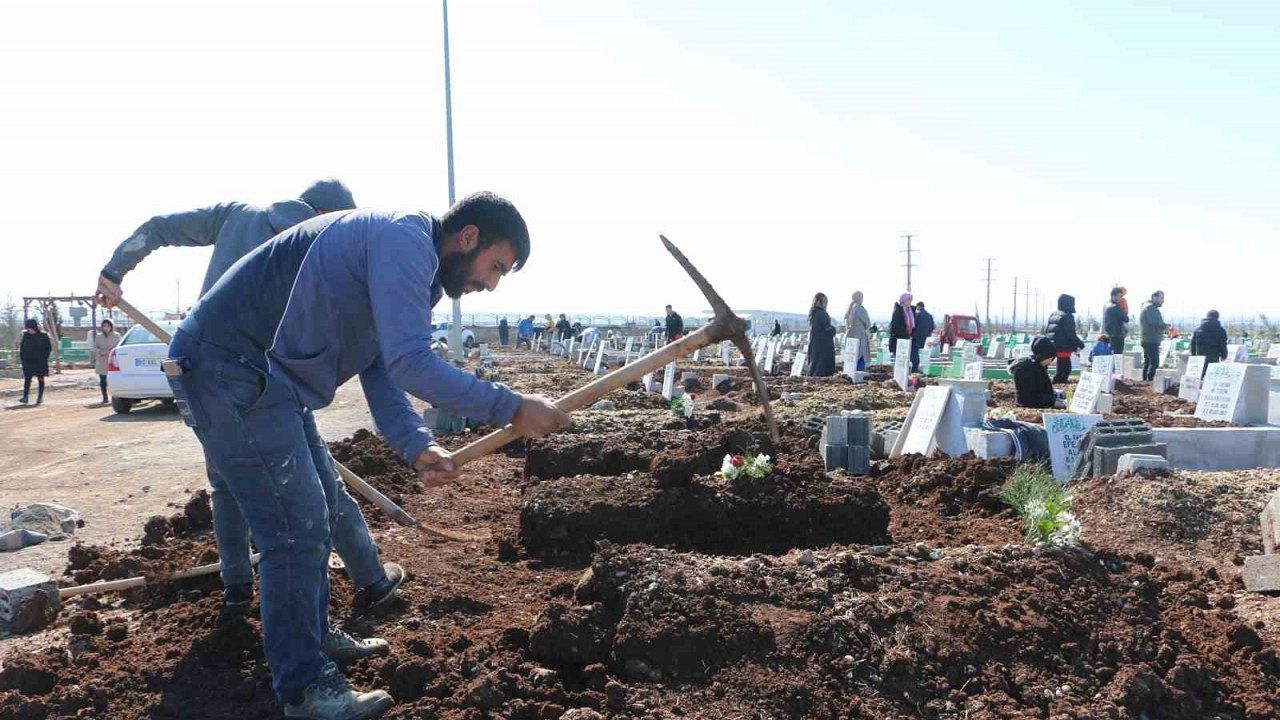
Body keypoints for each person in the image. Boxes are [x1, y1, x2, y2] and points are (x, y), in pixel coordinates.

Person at [164, 193, 570, 719]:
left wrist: (416, 443)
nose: (490, 284)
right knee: (295, 526)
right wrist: (511, 406)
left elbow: (381, 369)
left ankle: (311, 638)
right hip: (231, 368)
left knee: (321, 507)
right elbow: (410, 363)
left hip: (269, 381)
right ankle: (304, 688)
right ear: (468, 237)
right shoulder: (406, 241)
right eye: (495, 267)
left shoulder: (413, 266)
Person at [93, 179, 406, 627]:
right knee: (318, 486)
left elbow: (159, 226)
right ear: (332, 216)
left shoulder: (235, 216)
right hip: (266, 382)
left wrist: (114, 271)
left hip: (202, 372)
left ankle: (237, 590)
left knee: (225, 485)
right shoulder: (320, 240)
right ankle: (370, 579)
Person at [1043, 294, 1084, 384]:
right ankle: (1059, 384)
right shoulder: (1068, 316)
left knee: (1056, 367)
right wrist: (1080, 344)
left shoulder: (1053, 314)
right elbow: (1071, 334)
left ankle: (1050, 383)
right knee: (1065, 369)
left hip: (1052, 344)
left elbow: (1047, 330)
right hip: (1063, 346)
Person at [1010, 336, 1058, 409]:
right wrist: (1052, 401)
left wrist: (1055, 395)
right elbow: (1028, 397)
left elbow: (1045, 389)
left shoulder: (1039, 367)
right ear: (1044, 355)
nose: (1050, 362)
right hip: (1030, 406)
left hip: (1041, 403)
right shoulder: (1025, 369)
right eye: (1051, 358)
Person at [18, 318, 52, 406]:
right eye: (28, 328)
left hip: (40, 362)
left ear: (35, 327)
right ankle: (25, 397)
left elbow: (48, 348)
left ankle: (40, 397)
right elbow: (22, 348)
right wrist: (23, 359)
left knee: (40, 379)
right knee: (27, 379)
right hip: (28, 362)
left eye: (31, 328)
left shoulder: (43, 336)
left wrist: (44, 358)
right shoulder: (25, 336)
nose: (29, 330)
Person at [1140, 290, 1169, 382]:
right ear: (1154, 297)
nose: (1163, 301)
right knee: (1155, 363)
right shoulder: (1150, 308)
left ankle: (1145, 382)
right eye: (1161, 298)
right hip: (1151, 340)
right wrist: (1165, 326)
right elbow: (1155, 322)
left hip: (1148, 339)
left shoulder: (1149, 307)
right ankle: (1150, 381)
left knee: (1148, 363)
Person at [91, 319, 122, 405]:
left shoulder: (116, 335)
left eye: (108, 326)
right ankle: (105, 397)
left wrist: (112, 352)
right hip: (102, 360)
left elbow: (120, 347)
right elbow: (95, 348)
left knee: (115, 380)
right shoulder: (99, 336)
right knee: (103, 380)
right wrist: (102, 352)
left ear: (111, 326)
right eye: (104, 326)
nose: (106, 328)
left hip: (114, 361)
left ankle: (116, 397)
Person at [805, 293, 836, 376]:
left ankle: (813, 374)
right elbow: (827, 328)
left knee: (814, 360)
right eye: (824, 302)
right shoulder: (822, 313)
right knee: (822, 362)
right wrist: (833, 330)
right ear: (819, 302)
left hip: (814, 340)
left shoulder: (813, 313)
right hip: (824, 342)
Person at [1190, 309, 1229, 374]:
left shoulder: (1197, 330)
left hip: (1200, 357)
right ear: (1217, 317)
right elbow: (1223, 344)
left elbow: (1193, 344)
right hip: (1214, 357)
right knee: (1211, 375)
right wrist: (1224, 356)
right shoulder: (1221, 330)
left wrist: (1193, 355)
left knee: (1200, 375)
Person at [843, 291, 871, 371]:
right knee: (860, 358)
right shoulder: (860, 309)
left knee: (851, 359)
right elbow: (867, 323)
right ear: (861, 298)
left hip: (850, 338)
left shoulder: (849, 309)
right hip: (859, 336)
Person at [888, 292, 914, 363]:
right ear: (903, 300)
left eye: (911, 300)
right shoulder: (898, 311)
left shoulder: (909, 311)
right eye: (908, 300)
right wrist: (904, 335)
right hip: (898, 340)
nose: (910, 302)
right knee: (899, 361)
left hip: (906, 339)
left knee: (904, 362)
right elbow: (896, 326)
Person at [911, 301, 935, 373]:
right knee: (923, 355)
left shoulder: (918, 315)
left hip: (917, 337)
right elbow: (932, 327)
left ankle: (915, 368)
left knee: (914, 353)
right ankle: (920, 369)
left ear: (919, 306)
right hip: (926, 338)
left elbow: (913, 326)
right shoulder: (929, 316)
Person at [1103, 287, 1129, 353]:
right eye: (1119, 296)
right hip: (1117, 336)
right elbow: (1126, 319)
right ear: (1113, 296)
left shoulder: (1107, 305)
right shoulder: (1115, 307)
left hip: (1109, 334)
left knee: (1112, 354)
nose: (1120, 298)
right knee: (1118, 356)